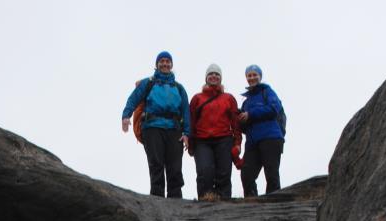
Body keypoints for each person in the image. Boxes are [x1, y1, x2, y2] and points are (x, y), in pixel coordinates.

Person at [122, 51, 191, 198]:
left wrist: (186, 133)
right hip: (152, 127)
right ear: (157, 64)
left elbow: (186, 111)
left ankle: (176, 200)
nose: (165, 64)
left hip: (174, 129)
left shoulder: (179, 88)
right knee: (156, 165)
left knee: (175, 167)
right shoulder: (148, 83)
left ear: (171, 65)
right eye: (162, 61)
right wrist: (126, 115)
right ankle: (157, 199)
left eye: (167, 61)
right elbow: (133, 98)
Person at [188, 64, 241, 200]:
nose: (214, 76)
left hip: (224, 139)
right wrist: (191, 142)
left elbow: (235, 123)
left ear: (221, 78)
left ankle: (224, 203)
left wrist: (237, 142)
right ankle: (205, 201)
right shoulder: (197, 98)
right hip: (202, 140)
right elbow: (191, 121)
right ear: (206, 78)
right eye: (211, 74)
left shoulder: (229, 98)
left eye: (217, 74)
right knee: (205, 172)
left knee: (224, 173)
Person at [239, 65, 286, 197]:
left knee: (271, 173)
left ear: (260, 77)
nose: (252, 77)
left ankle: (274, 205)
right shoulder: (246, 102)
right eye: (249, 75)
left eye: (255, 75)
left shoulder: (268, 92)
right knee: (246, 174)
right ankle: (252, 203)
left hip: (271, 137)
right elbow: (245, 127)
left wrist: (250, 114)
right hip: (252, 142)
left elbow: (273, 109)